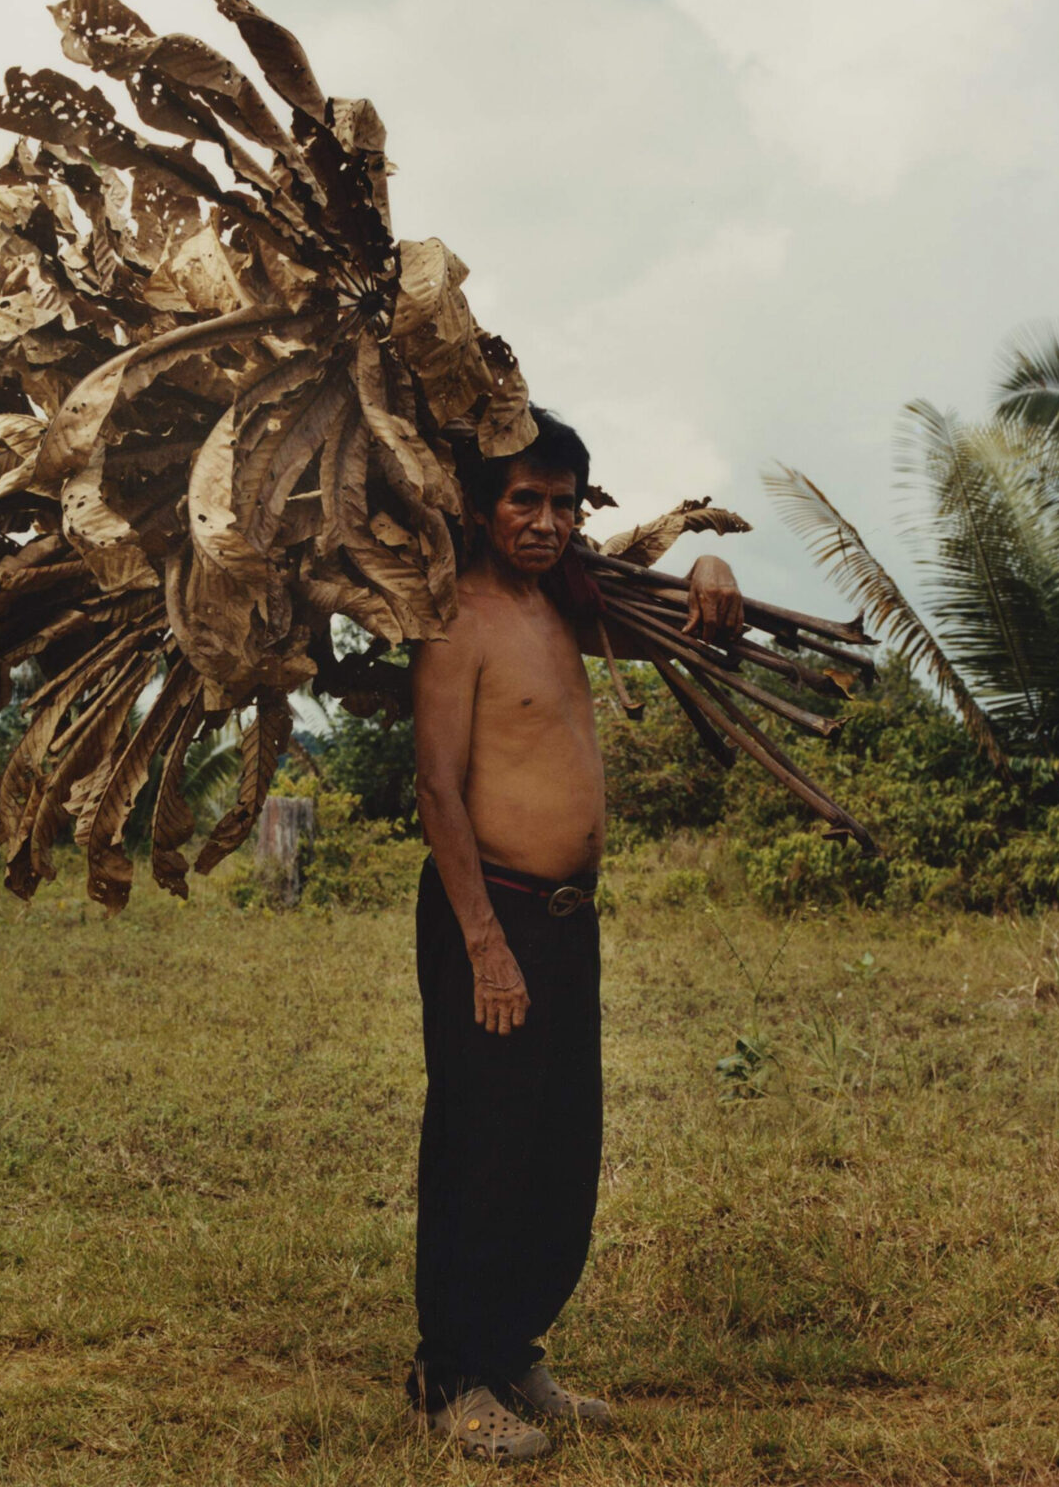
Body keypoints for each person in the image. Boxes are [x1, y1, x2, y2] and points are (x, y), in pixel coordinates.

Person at [406, 409, 743, 1463]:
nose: (547, 522)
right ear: (479, 508)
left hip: (564, 918)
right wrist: (483, 944)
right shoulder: (458, 618)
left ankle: (512, 1352)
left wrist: (711, 565)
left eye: (564, 503)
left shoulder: (567, 601)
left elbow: (693, 624)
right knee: (484, 1145)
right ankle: (452, 1376)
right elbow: (438, 791)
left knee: (559, 1145)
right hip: (491, 912)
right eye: (525, 501)